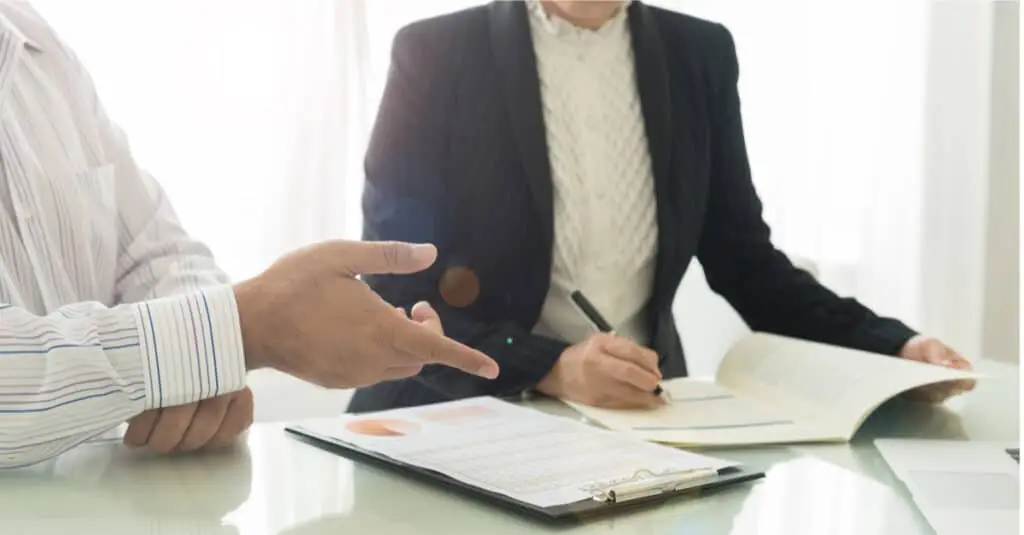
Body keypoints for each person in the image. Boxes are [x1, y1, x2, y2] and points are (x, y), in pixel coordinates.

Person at [350, 0, 975, 413]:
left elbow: (745, 262)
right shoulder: (435, 54)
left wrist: (894, 349)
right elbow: (396, 286)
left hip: (639, 428)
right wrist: (550, 367)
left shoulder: (698, 53)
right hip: (449, 418)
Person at [0, 2, 498, 469]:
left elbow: (161, 255)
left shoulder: (38, 49)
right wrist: (234, 331)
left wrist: (200, 367)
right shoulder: (438, 49)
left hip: (119, 496)